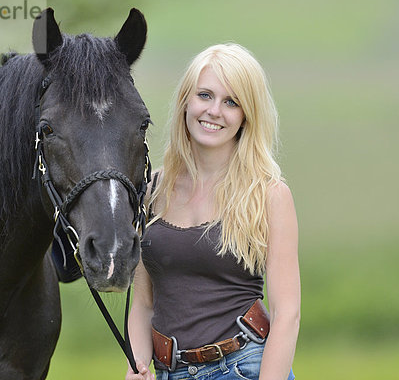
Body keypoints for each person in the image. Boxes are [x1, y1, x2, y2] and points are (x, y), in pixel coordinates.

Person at [125, 43, 300, 380]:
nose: (214, 110)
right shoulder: (151, 190)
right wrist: (137, 367)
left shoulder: (268, 195)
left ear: (246, 115)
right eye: (205, 95)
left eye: (231, 102)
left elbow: (287, 313)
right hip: (166, 371)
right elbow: (144, 304)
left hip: (241, 367)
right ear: (186, 102)